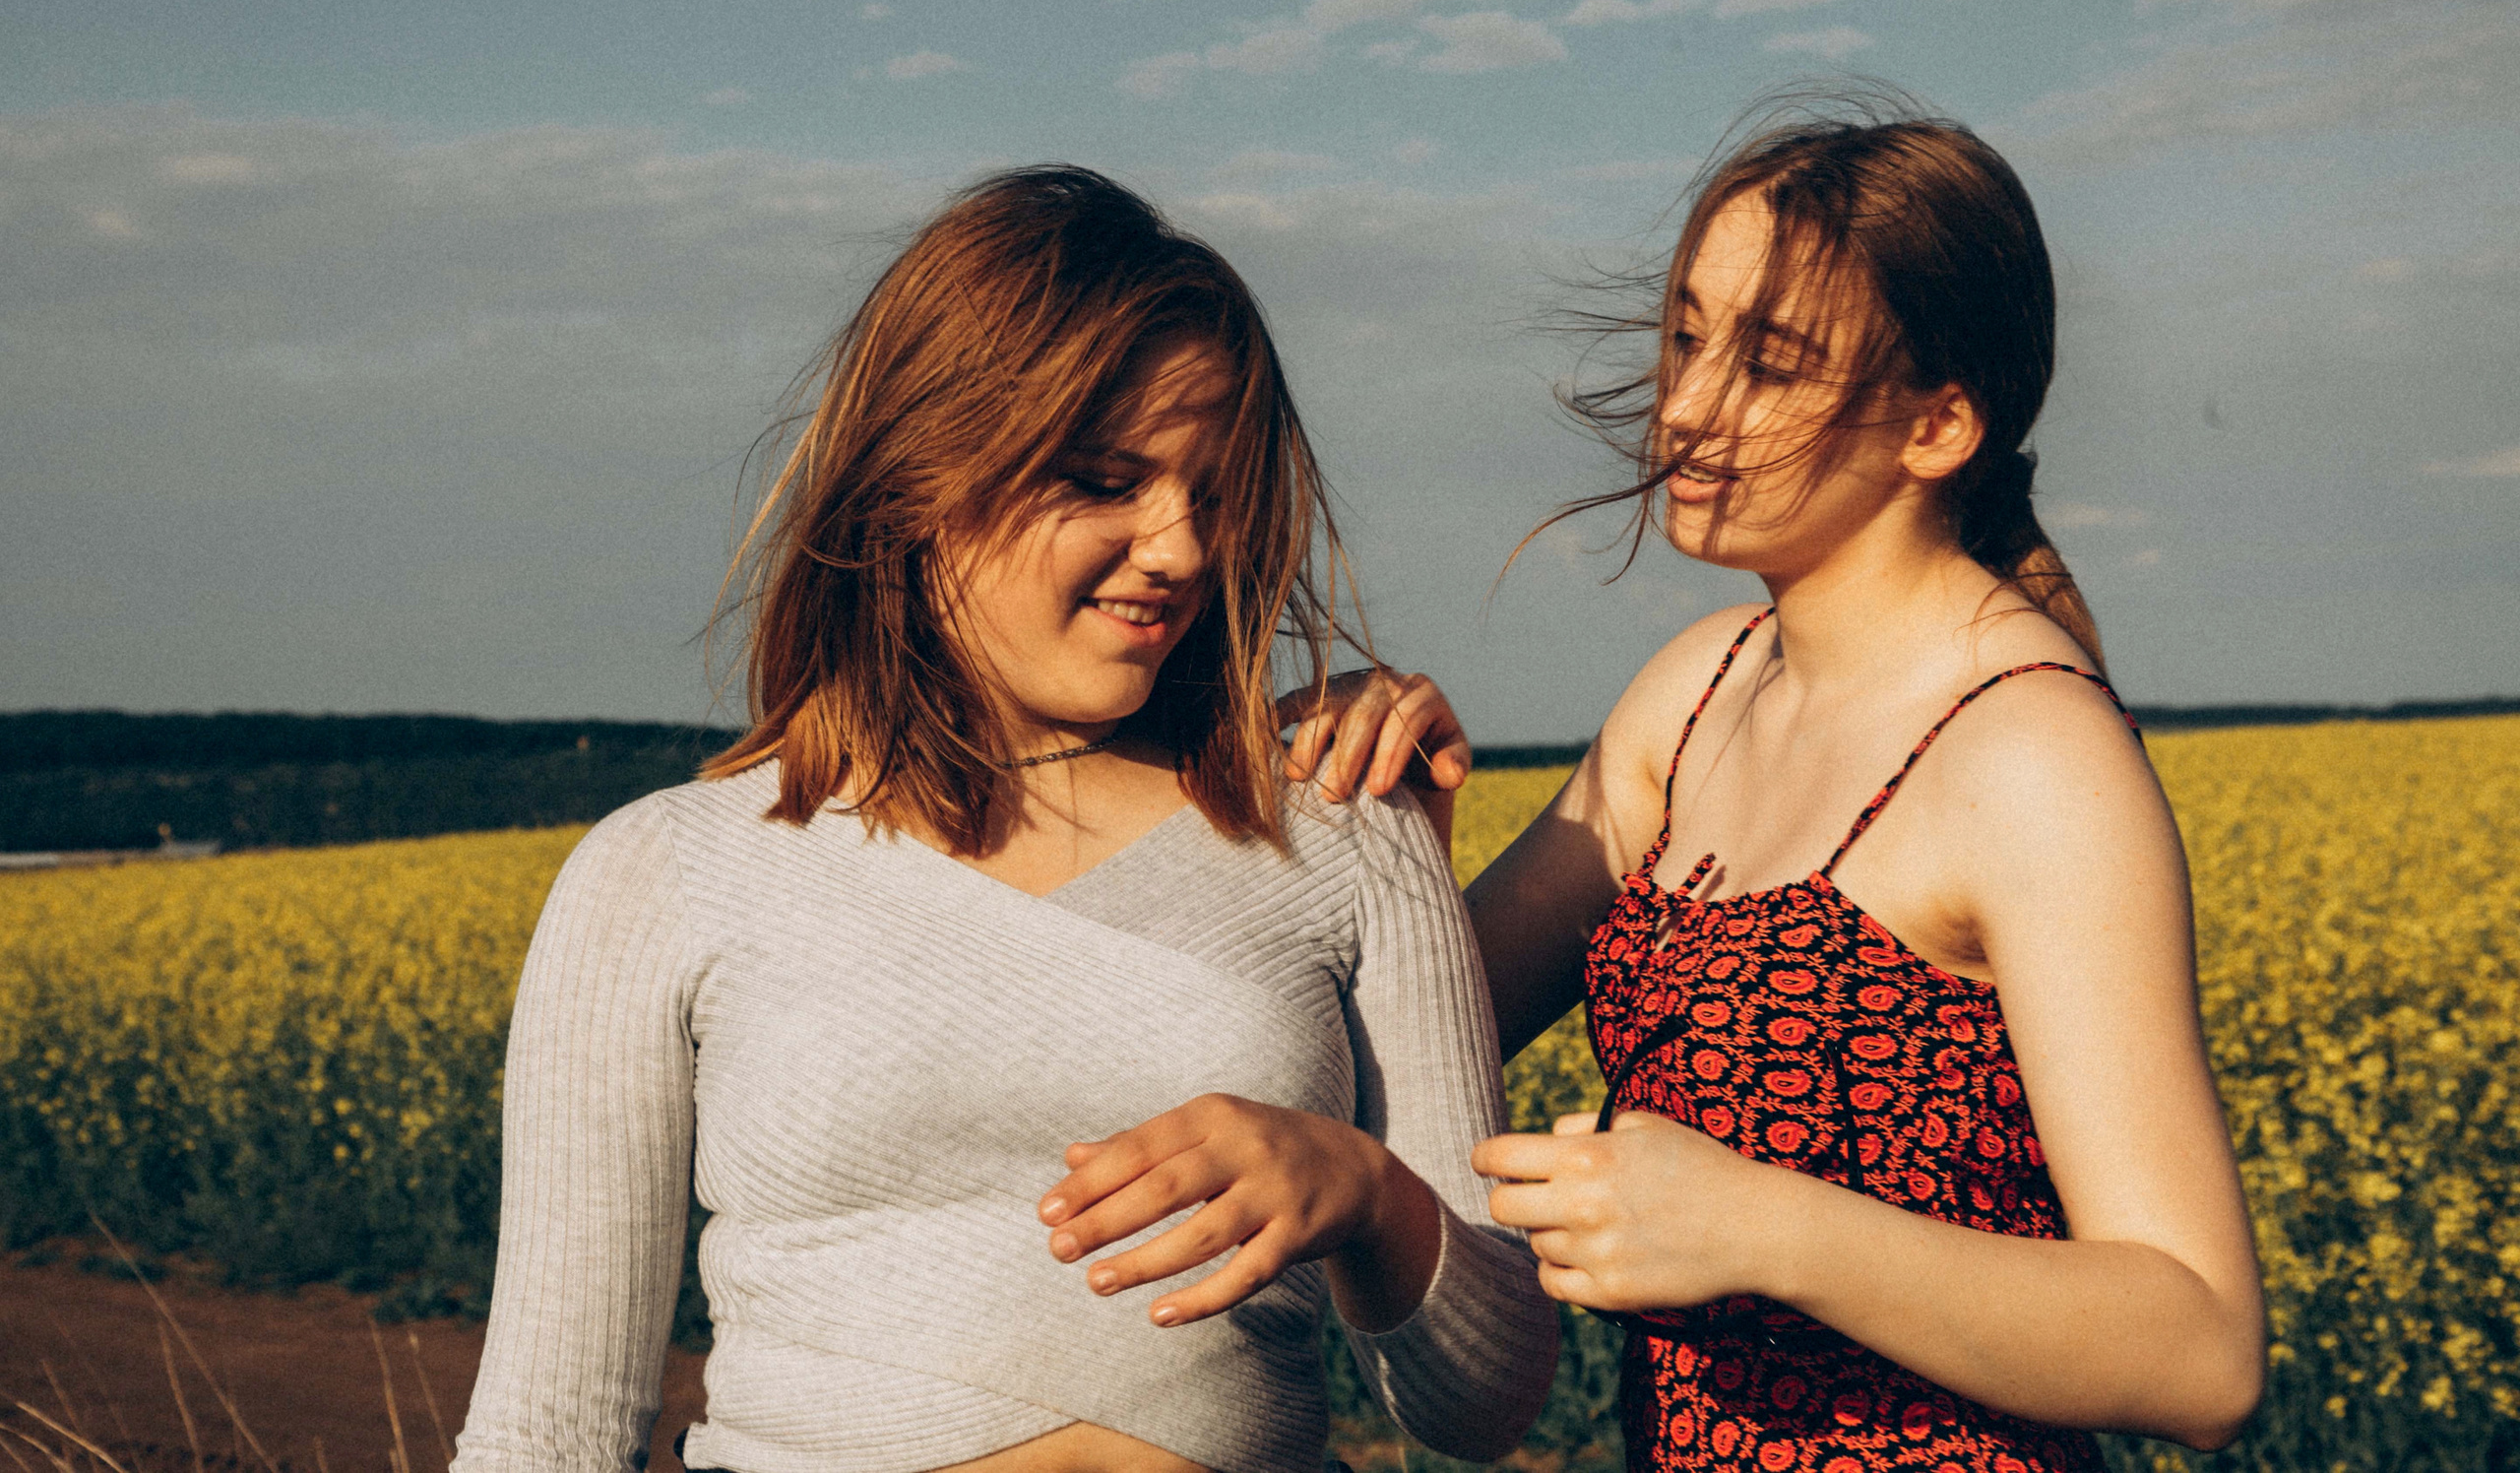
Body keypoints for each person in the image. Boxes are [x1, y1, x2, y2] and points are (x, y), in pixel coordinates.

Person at [449, 166, 1555, 1473]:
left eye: (1211, 494)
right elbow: (548, 1431)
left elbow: (1488, 1407)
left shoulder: (1343, 829)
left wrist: (1369, 1196)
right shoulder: (665, 873)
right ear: (920, 474)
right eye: (1105, 479)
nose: (1182, 549)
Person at [1300, 96, 2267, 1470]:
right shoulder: (1697, 694)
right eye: (1688, 337)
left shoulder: (2030, 755)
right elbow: (1405, 1038)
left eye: (1771, 363)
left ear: (1938, 424)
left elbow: (2202, 1346)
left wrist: (1763, 1228)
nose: (1686, 407)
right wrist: (1398, 814)